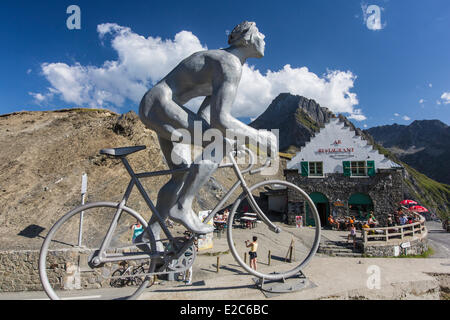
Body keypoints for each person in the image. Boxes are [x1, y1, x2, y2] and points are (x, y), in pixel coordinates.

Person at [139, 22, 276, 251]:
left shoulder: (223, 62)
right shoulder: (230, 63)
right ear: (247, 38)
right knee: (220, 142)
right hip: (161, 104)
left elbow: (207, 118)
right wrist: (260, 138)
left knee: (180, 174)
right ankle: (184, 206)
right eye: (260, 32)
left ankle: (148, 235)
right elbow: (221, 121)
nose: (265, 37)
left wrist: (238, 140)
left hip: (157, 105)